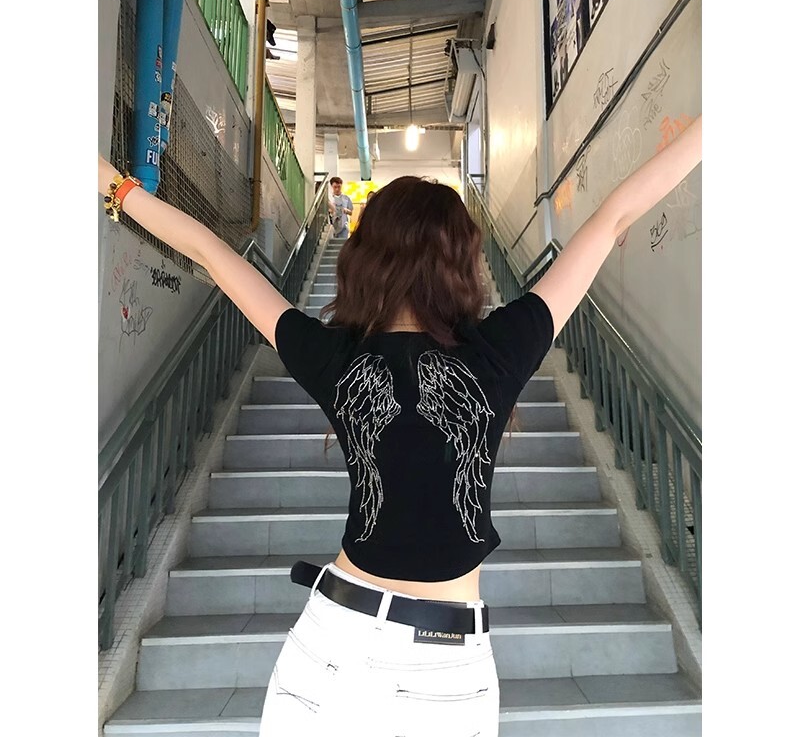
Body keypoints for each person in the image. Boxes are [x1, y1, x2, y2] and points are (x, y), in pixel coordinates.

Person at [97, 113, 701, 736]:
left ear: (365, 259)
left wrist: (111, 183)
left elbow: (209, 251)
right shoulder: (500, 349)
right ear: (462, 263)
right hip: (446, 666)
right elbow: (614, 218)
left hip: (329, 647)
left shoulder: (337, 358)